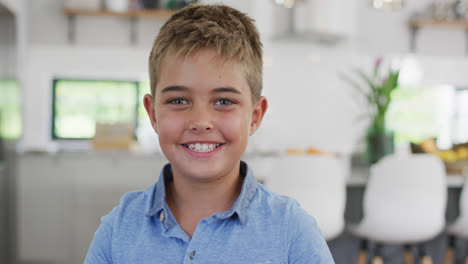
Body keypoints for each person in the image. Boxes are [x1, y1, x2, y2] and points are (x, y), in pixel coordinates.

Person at [85, 4, 334, 263]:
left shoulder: (292, 230)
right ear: (153, 114)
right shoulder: (118, 230)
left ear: (255, 116)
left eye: (224, 102)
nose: (201, 122)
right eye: (179, 101)